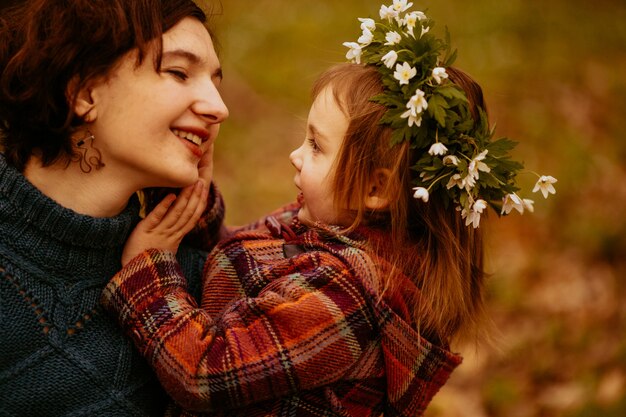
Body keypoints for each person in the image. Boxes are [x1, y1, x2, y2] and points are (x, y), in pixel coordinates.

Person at [101, 2, 556, 416]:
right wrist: (192, 204)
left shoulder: (348, 299)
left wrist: (149, 273)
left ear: (376, 188)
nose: (296, 156)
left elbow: (209, 372)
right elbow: (241, 266)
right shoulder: (332, 230)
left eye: (316, 146)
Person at [0, 0, 228, 415]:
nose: (219, 108)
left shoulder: (186, 291)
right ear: (84, 92)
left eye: (216, 83)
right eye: (179, 72)